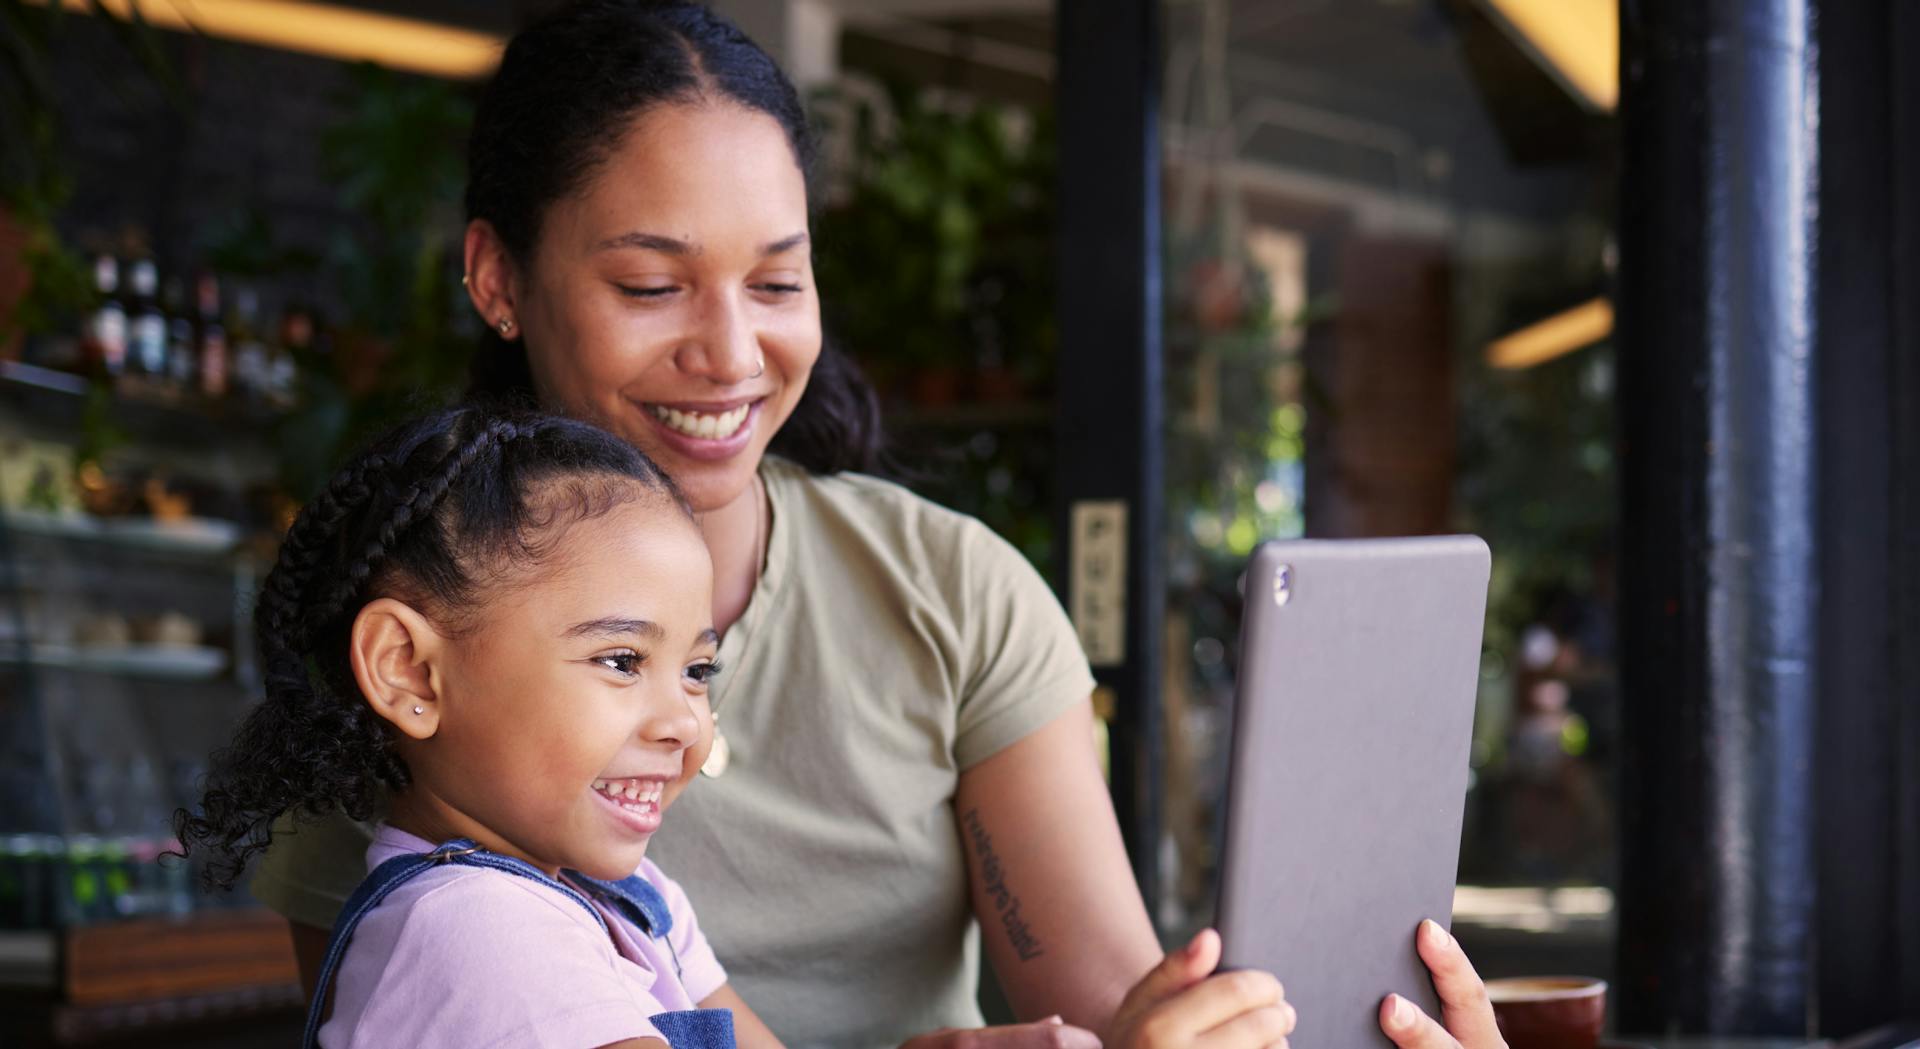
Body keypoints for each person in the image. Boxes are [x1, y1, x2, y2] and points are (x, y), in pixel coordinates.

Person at [248, 5, 1500, 1049]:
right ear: (497, 278)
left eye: (779, 281)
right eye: (649, 284)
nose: (732, 352)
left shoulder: (946, 593)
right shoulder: (412, 668)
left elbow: (1110, 1004)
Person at [178, 404, 1294, 1049]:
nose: (686, 721)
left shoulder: (626, 898)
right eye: (623, 660)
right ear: (408, 670)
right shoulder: (477, 935)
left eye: (697, 665)